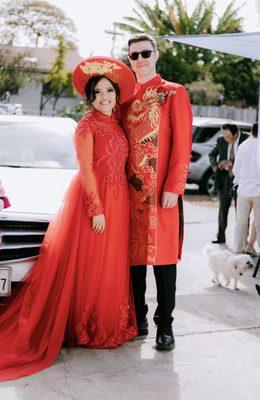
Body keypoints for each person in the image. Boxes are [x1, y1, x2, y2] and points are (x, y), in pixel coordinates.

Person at [0, 56, 137, 381]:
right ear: (89, 97)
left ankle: (105, 323)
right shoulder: (86, 126)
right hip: (95, 203)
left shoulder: (116, 123)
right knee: (90, 265)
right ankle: (84, 326)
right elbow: (86, 170)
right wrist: (96, 209)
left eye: (109, 91)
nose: (104, 97)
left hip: (119, 204)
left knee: (109, 266)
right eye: (98, 92)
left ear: (116, 94)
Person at [121, 34, 192, 351]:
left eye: (145, 53)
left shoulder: (173, 93)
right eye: (134, 55)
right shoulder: (124, 97)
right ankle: (139, 319)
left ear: (157, 54)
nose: (140, 59)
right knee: (133, 261)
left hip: (162, 193)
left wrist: (174, 187)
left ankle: (166, 326)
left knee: (164, 262)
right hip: (129, 193)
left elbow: (183, 145)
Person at [209, 123, 248, 244]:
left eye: (227, 137)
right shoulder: (221, 139)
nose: (225, 139)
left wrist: (232, 162)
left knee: (241, 212)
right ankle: (220, 236)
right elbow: (212, 154)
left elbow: (250, 157)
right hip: (225, 178)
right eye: (223, 135)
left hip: (241, 179)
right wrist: (215, 166)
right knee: (223, 210)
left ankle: (242, 240)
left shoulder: (247, 139)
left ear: (235, 134)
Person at [233, 123, 260, 254]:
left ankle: (238, 252)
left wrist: (240, 181)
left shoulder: (243, 146)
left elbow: (235, 169)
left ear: (251, 132)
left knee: (241, 222)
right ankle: (253, 249)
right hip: (258, 192)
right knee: (259, 224)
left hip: (243, 190)